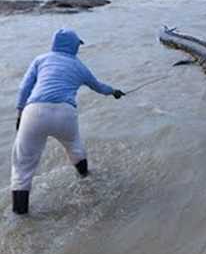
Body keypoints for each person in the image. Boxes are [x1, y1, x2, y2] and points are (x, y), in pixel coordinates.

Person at [11, 28, 125, 215]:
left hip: (35, 111)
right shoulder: (79, 66)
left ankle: (20, 216)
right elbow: (99, 86)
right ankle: (86, 179)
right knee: (75, 148)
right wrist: (114, 92)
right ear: (73, 45)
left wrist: (19, 113)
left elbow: (24, 87)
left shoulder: (41, 60)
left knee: (22, 166)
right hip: (65, 112)